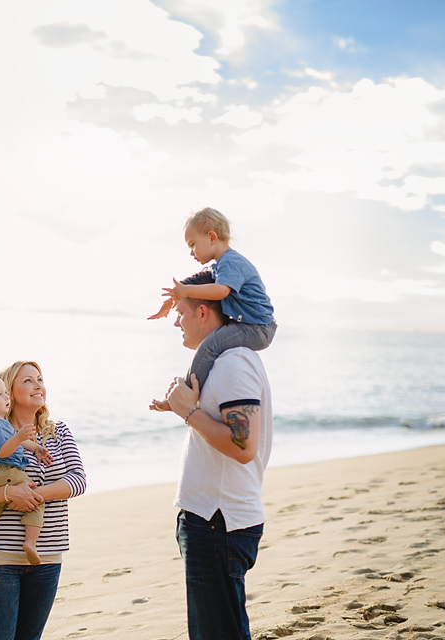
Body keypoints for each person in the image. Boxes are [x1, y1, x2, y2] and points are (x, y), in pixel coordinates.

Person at [150, 270, 274, 640]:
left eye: (182, 311)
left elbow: (243, 446)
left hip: (219, 521)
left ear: (204, 313)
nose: (176, 322)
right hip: (210, 518)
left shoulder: (234, 363)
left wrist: (188, 412)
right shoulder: (224, 361)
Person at [0, 361, 87, 640]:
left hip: (47, 555)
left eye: (40, 379)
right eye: (27, 380)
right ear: (7, 391)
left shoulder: (59, 432)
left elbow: (78, 481)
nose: (37, 384)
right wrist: (8, 494)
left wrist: (34, 495)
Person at [149, 207, 277, 387]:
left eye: (192, 244)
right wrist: (173, 300)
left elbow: (220, 292)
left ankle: (189, 391)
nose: (191, 252)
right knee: (212, 341)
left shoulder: (231, 262)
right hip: (253, 326)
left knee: (210, 345)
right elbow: (202, 286)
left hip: (258, 329)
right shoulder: (222, 265)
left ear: (211, 237)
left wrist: (186, 291)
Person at [0, 374, 54, 581]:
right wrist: (20, 436)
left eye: (5, 393)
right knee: (34, 498)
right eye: (0, 394)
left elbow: (20, 443)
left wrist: (36, 447)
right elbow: (3, 451)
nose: (6, 397)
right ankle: (30, 542)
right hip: (3, 471)